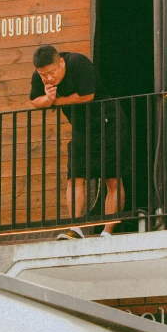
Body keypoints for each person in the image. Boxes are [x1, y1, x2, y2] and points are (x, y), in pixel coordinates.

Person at [30, 44, 130, 240]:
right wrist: (47, 98)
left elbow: (87, 95)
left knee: (112, 179)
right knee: (75, 177)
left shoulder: (77, 63)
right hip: (81, 128)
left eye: (51, 72)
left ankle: (107, 232)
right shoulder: (39, 76)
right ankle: (75, 228)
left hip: (109, 121)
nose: (48, 78)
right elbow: (35, 100)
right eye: (43, 75)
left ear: (61, 62)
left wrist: (54, 101)